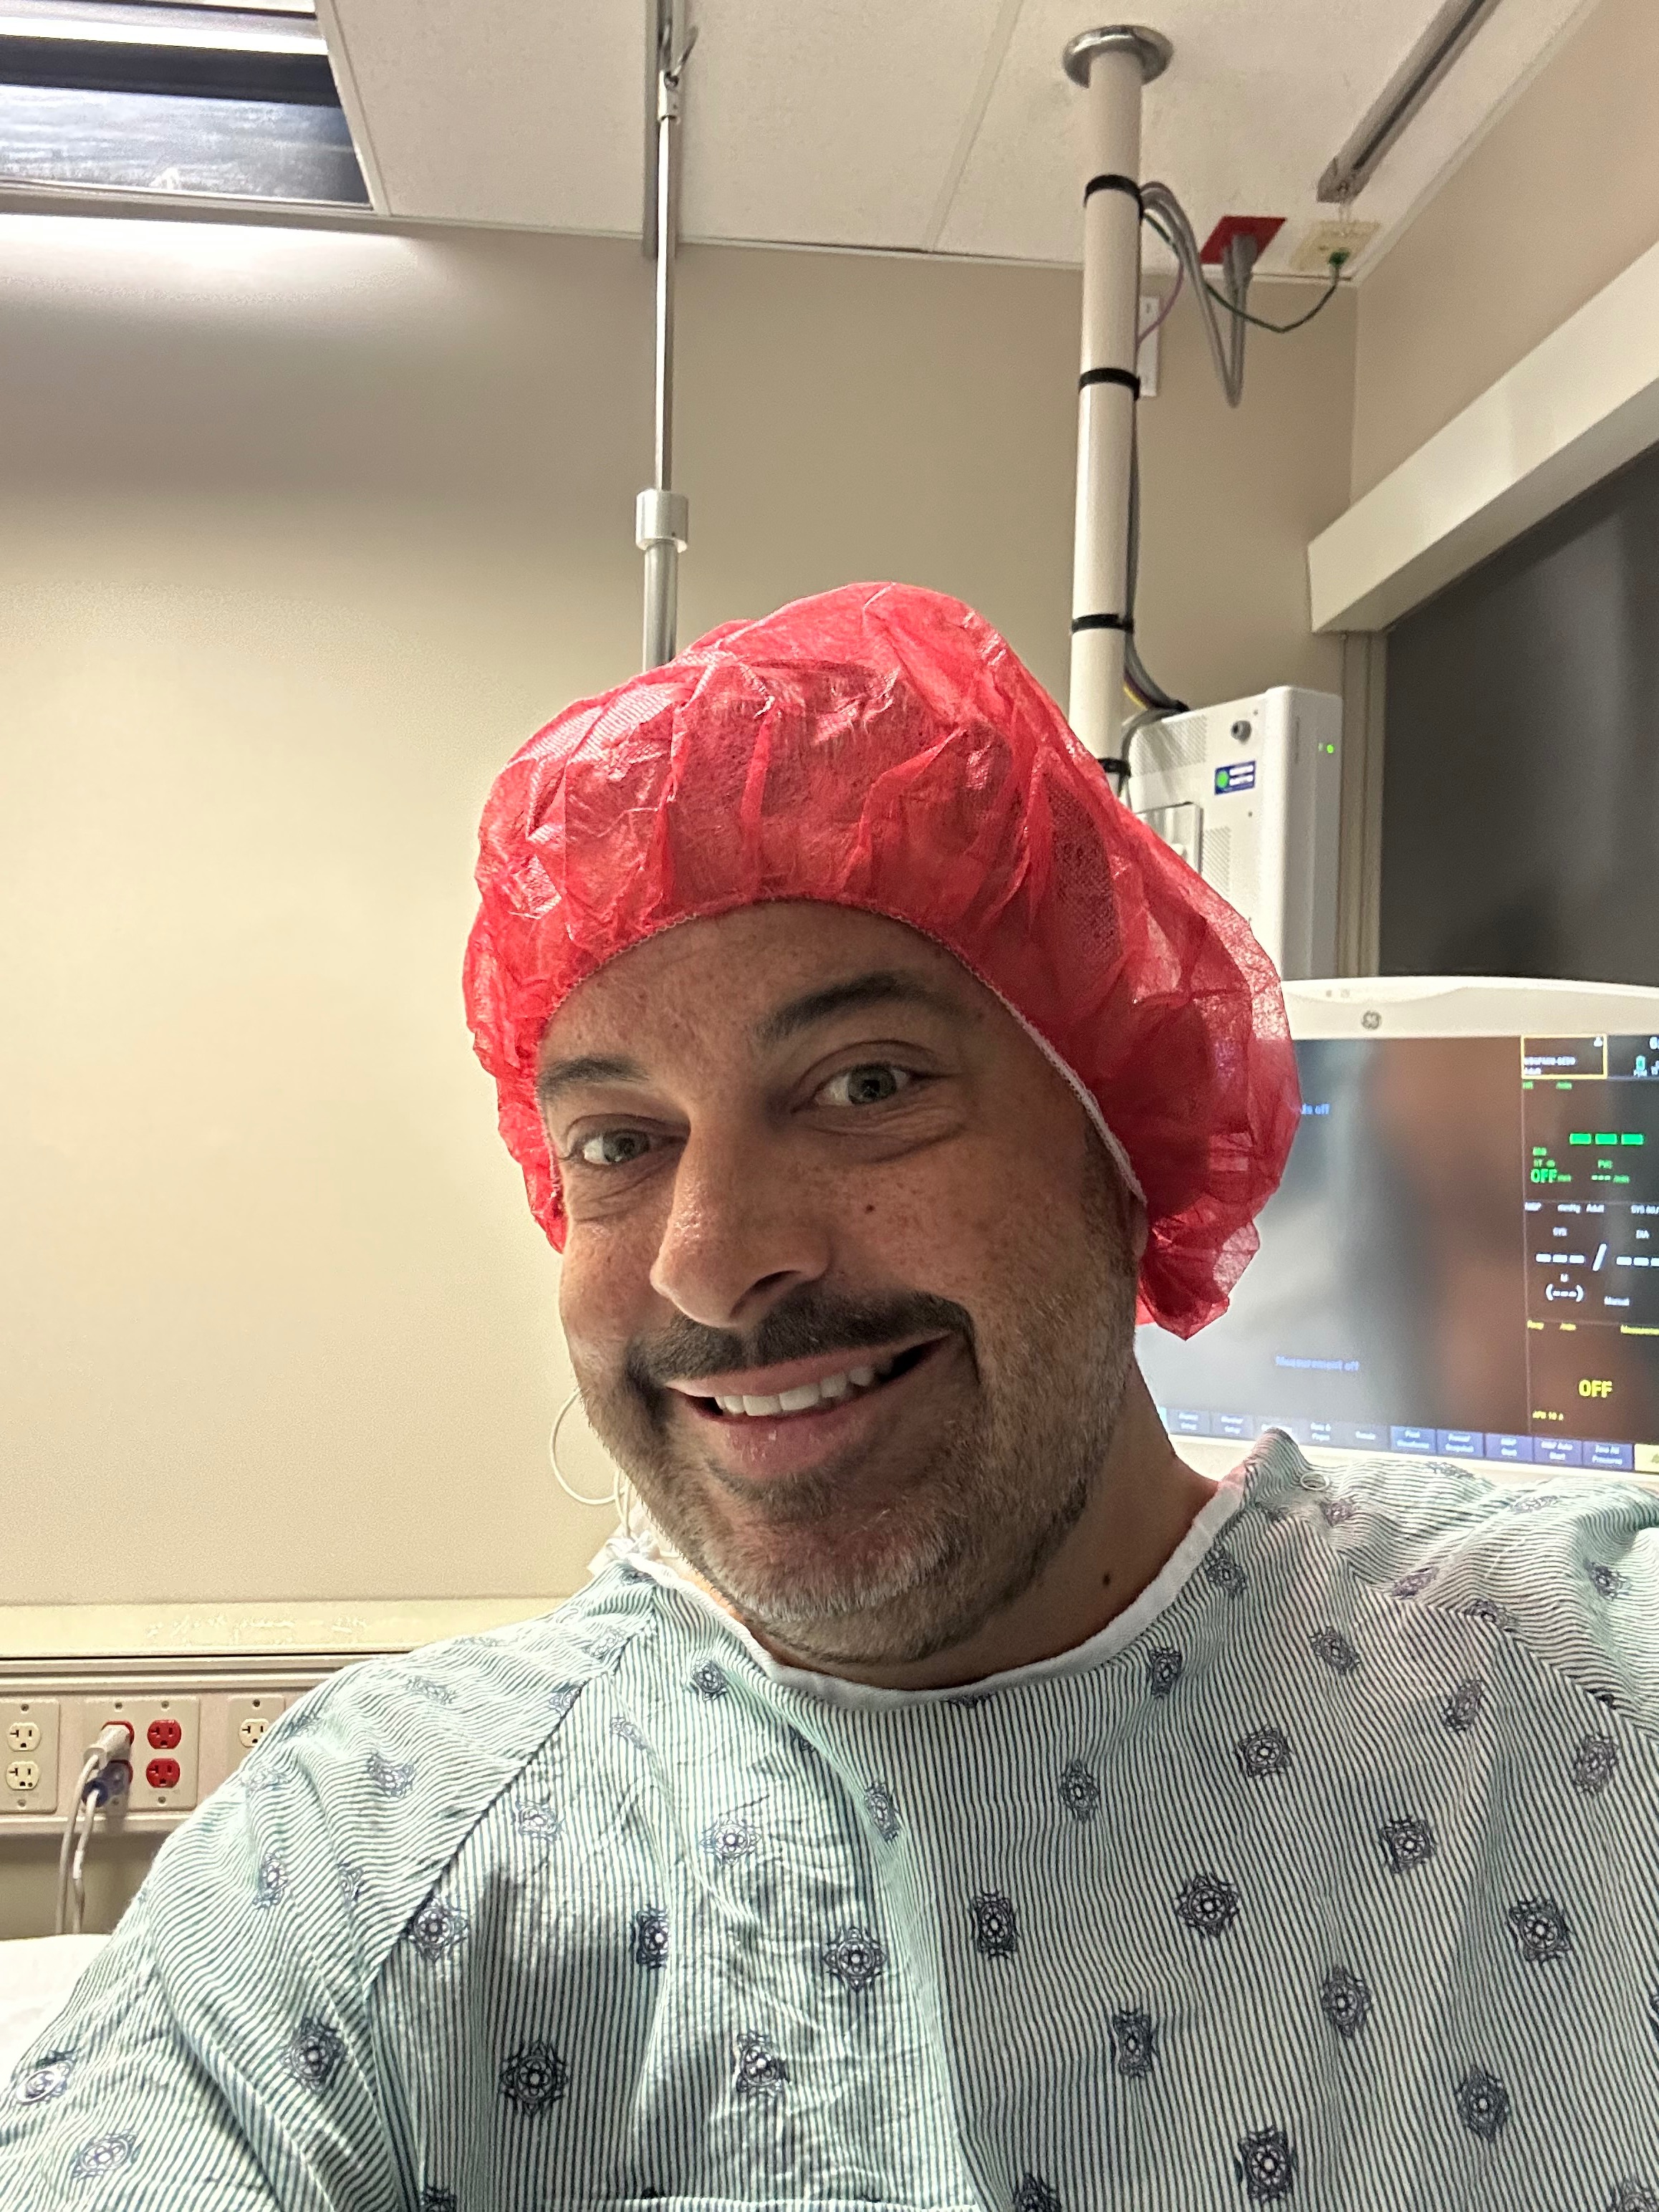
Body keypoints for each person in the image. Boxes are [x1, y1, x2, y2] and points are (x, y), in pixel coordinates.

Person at [4, 582, 1657, 2211]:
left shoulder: (1580, 1711)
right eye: (619, 1141)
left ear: (1122, 1145)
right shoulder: (368, 1858)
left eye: (866, 1083)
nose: (713, 1260)